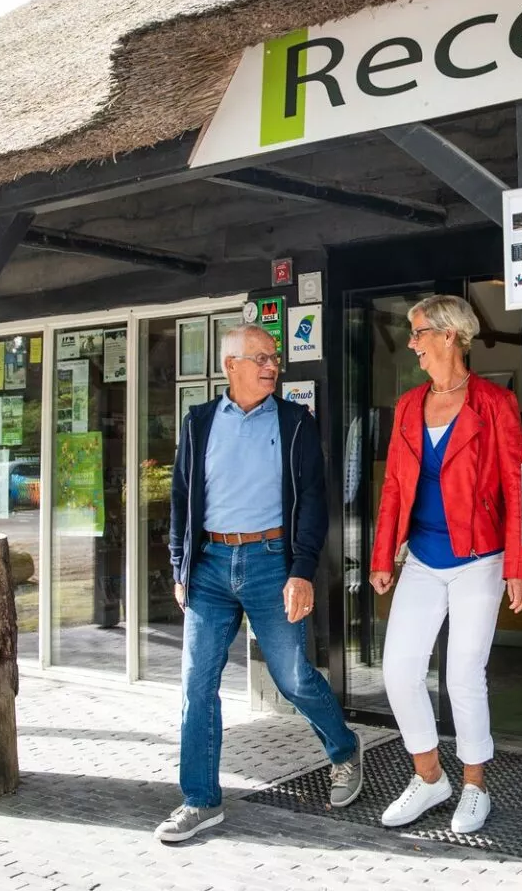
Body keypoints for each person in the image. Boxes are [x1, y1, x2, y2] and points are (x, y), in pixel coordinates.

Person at [156, 324, 362, 843]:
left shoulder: (295, 423)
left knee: (292, 678)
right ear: (231, 366)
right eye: (262, 358)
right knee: (197, 686)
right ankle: (200, 800)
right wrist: (180, 565)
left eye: (275, 358)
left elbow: (313, 501)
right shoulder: (199, 422)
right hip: (209, 566)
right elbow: (181, 497)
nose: (273, 366)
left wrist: (301, 571)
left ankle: (344, 749)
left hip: (272, 561)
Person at [369, 294, 522, 835]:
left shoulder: (494, 403)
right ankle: (430, 777)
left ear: (449, 335)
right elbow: (394, 486)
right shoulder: (409, 405)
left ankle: (475, 786)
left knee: (463, 674)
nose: (412, 343)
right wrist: (383, 554)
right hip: (421, 557)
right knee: (399, 671)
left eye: (419, 332)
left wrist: (517, 564)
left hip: (480, 559)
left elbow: (515, 487)